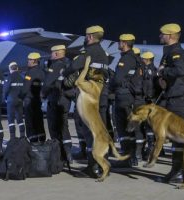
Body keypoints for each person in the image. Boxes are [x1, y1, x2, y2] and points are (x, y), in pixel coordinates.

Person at [62, 25, 109, 177]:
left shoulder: (89, 52)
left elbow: (74, 66)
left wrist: (66, 71)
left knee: (90, 133)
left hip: (89, 97)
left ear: (89, 37)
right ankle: (103, 166)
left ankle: (93, 167)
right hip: (100, 95)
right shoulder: (102, 53)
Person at [157, 23, 184, 183]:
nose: (160, 36)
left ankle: (178, 172)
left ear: (170, 36)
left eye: (162, 34)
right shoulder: (170, 51)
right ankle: (178, 171)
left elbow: (179, 70)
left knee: (178, 138)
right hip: (172, 97)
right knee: (176, 137)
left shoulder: (176, 52)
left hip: (177, 100)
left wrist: (163, 72)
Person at [111, 33, 144, 166]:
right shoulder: (135, 58)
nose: (118, 43)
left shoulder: (127, 59)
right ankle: (132, 158)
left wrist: (111, 84)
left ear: (124, 43)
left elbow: (118, 79)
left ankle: (127, 158)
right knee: (130, 128)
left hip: (123, 97)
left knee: (123, 128)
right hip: (130, 97)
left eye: (120, 42)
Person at [42, 45, 73, 163]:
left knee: (54, 128)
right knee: (64, 126)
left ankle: (59, 155)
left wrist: (43, 94)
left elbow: (47, 84)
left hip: (56, 100)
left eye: (52, 53)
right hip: (66, 100)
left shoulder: (55, 65)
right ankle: (69, 154)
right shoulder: (68, 64)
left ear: (56, 54)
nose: (51, 55)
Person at [23, 52, 46, 142]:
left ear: (34, 61)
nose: (28, 61)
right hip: (38, 100)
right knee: (39, 120)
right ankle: (42, 139)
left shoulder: (30, 73)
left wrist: (21, 96)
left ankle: (33, 141)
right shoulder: (42, 72)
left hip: (29, 100)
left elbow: (25, 88)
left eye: (29, 60)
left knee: (30, 121)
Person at [140, 51, 158, 160]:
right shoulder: (155, 70)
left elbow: (147, 86)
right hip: (153, 100)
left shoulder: (148, 71)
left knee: (148, 125)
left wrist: (146, 96)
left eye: (143, 59)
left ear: (147, 60)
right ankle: (154, 147)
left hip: (148, 101)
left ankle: (150, 148)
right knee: (151, 125)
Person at [3, 62, 25, 140]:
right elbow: (24, 89)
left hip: (11, 100)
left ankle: (13, 137)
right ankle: (22, 136)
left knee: (11, 119)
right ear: (17, 68)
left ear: (10, 69)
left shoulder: (9, 77)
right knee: (20, 119)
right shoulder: (22, 77)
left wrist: (5, 98)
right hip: (20, 100)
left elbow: (5, 90)